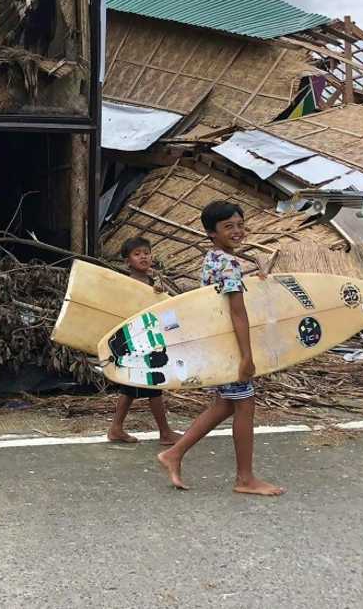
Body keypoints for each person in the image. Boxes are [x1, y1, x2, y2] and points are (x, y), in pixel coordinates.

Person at [156, 201, 284, 495]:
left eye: (240, 224)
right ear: (211, 233)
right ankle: (245, 479)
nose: (237, 231)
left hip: (216, 344)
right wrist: (247, 356)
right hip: (229, 347)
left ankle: (173, 454)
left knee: (225, 405)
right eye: (229, 227)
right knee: (244, 405)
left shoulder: (215, 258)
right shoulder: (229, 263)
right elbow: (237, 312)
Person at [107, 236, 183, 445]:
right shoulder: (128, 284)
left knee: (131, 388)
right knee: (152, 385)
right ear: (127, 261)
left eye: (146, 253)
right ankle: (164, 432)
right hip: (135, 340)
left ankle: (116, 428)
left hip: (150, 338)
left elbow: (162, 307)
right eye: (137, 254)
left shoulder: (153, 280)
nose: (143, 257)